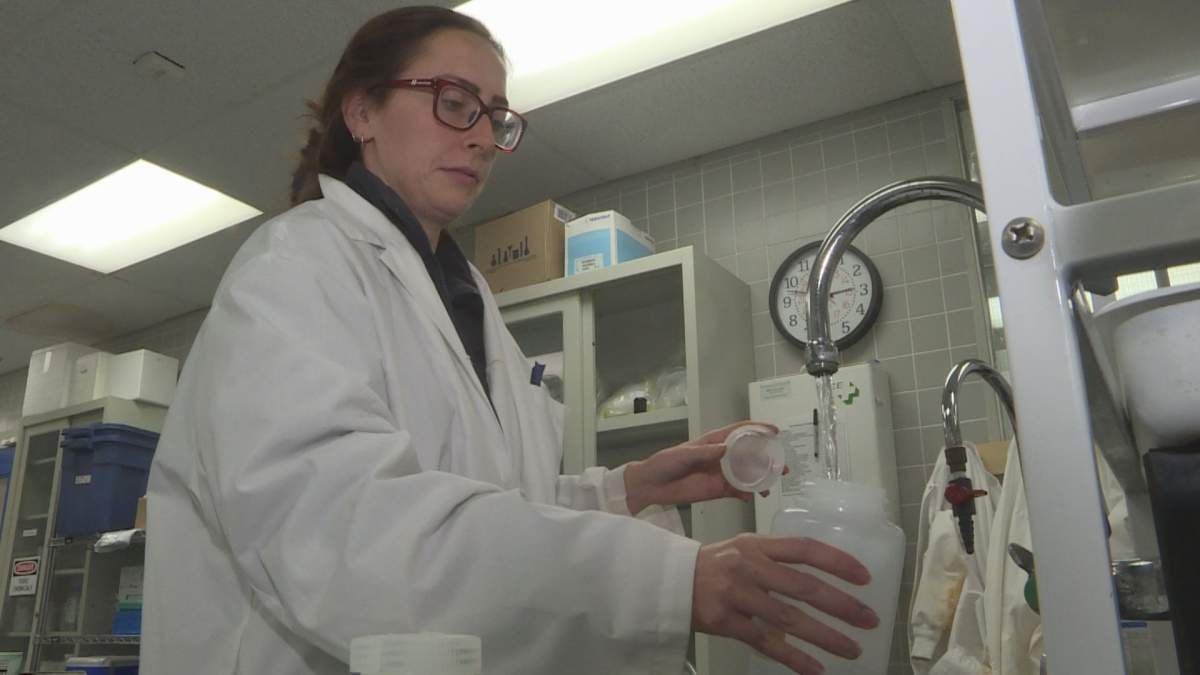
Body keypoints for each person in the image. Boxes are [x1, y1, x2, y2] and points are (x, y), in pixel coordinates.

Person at [141, 7, 880, 675]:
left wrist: (626, 489)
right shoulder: (293, 268)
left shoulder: (466, 296)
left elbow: (492, 499)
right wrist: (665, 577)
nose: (482, 138)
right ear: (361, 109)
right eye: (453, 102)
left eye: (494, 117)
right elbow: (350, 533)